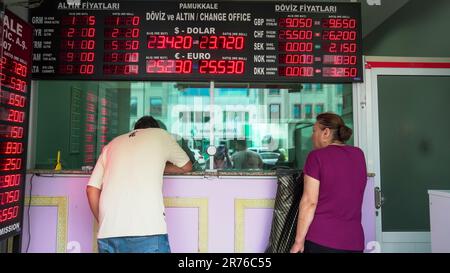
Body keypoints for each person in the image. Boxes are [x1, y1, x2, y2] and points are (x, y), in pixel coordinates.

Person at [86, 116, 192, 253]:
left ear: (135, 130)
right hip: (147, 229)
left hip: (108, 232)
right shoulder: (160, 135)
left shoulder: (112, 144)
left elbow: (91, 189)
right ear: (155, 128)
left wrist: (104, 221)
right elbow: (186, 166)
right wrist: (157, 165)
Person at [290, 112, 367, 253]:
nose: (312, 136)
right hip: (354, 241)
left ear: (325, 132)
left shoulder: (316, 157)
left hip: (321, 240)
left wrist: (298, 242)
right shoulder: (359, 155)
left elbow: (309, 202)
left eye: (314, 131)